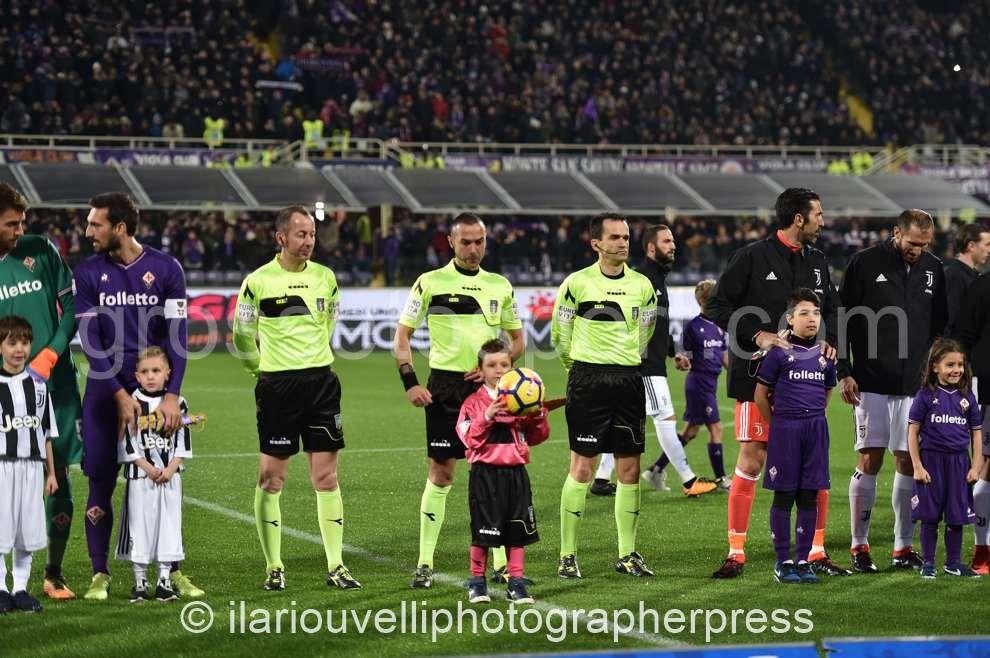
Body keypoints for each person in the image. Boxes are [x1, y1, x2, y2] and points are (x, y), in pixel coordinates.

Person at [707, 188, 846, 578]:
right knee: (752, 459)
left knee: (813, 466)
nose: (823, 221)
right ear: (799, 218)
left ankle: (815, 552)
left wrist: (833, 343)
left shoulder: (818, 261)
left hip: (806, 383)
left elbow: (834, 311)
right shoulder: (751, 256)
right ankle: (736, 553)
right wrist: (758, 334)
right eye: (818, 214)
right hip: (757, 379)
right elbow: (717, 305)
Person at [73, 193, 202, 601]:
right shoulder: (88, 272)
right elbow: (90, 339)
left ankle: (171, 571)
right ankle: (100, 573)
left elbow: (177, 336)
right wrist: (117, 391)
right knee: (100, 478)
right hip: (103, 389)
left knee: (163, 478)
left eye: (95, 224)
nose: (88, 231)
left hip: (154, 389)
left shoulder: (166, 269)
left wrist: (172, 395)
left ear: (120, 227)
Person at [232, 205, 360, 591]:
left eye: (312, 235)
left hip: (321, 385)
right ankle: (274, 566)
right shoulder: (258, 281)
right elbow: (242, 334)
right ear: (281, 237)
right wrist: (258, 370)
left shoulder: (326, 277)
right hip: (277, 388)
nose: (308, 241)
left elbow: (329, 322)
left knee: (327, 477)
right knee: (271, 478)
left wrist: (312, 355)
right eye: (301, 234)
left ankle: (336, 565)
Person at [394, 213, 524, 589]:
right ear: (451, 242)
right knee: (442, 473)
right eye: (465, 242)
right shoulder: (430, 282)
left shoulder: (499, 285)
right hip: (444, 388)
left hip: (488, 391)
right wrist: (410, 382)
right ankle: (425, 562)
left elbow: (518, 341)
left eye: (479, 241)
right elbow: (402, 337)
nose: (473, 249)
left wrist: (495, 366)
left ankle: (500, 562)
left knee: (494, 473)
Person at [839, 209, 948, 573]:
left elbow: (940, 326)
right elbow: (842, 317)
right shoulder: (864, 262)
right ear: (896, 233)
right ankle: (859, 545)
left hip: (915, 384)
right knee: (870, 459)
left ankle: (902, 547)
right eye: (913, 243)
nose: (918, 250)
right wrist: (844, 370)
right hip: (870, 380)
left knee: (907, 459)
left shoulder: (933, 268)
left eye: (924, 244)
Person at [551, 212, 657, 578]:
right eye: (614, 237)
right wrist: (578, 367)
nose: (623, 242)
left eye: (626, 236)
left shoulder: (642, 286)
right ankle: (567, 555)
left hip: (628, 380)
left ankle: (627, 554)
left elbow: (645, 333)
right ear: (596, 243)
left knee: (630, 469)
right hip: (588, 379)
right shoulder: (577, 283)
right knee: (583, 467)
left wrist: (625, 361)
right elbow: (560, 334)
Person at [0, 184, 81, 600]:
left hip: (55, 383)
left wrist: (49, 355)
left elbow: (73, 309)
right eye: (11, 224)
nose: (20, 230)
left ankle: (53, 572)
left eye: (21, 222)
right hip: (5, 390)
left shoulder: (41, 250)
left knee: (58, 474)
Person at [456, 339, 549, 605]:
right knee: (483, 531)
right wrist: (486, 416)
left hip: (516, 474)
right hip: (485, 474)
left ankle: (516, 583)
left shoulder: (522, 399)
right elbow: (469, 439)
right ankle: (477, 582)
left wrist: (538, 415)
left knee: (517, 530)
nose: (498, 370)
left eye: (504, 364)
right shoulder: (473, 403)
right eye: (491, 365)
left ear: (512, 367)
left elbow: (537, 437)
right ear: (480, 370)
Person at [754, 289, 836, 585]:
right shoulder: (779, 353)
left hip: (815, 429)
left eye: (816, 313)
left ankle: (803, 560)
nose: (811, 318)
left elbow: (828, 390)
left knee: (809, 495)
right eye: (804, 313)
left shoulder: (826, 356)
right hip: (786, 428)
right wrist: (777, 425)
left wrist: (816, 416)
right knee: (785, 494)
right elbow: (760, 395)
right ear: (790, 319)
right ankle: (783, 561)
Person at [638, 225, 717, 498]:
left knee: (625, 422)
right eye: (667, 241)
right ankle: (688, 480)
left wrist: (674, 354)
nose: (673, 245)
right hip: (645, 366)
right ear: (651, 247)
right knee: (665, 418)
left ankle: (603, 477)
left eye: (673, 241)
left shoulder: (656, 277)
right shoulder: (643, 279)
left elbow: (659, 325)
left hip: (651, 363)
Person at [116, 347, 193, 602]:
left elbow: (183, 442)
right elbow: (127, 444)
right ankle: (140, 582)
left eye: (156, 370)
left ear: (168, 373)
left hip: (170, 478)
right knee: (140, 527)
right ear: (137, 376)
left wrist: (170, 468)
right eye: (145, 371)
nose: (151, 376)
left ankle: (164, 581)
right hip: (140, 477)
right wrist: (148, 467)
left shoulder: (178, 403)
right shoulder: (132, 402)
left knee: (169, 526)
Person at [643, 279, 729, 492]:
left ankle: (655, 470)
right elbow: (683, 357)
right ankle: (721, 480)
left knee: (690, 432)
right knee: (716, 428)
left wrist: (741, 376)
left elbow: (724, 357)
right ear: (703, 301)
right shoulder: (693, 327)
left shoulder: (719, 327)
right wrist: (681, 361)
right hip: (699, 383)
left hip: (710, 384)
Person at [907, 339, 982, 579]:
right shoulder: (925, 396)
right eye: (950, 365)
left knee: (956, 515)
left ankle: (953, 563)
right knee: (929, 516)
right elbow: (912, 432)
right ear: (934, 367)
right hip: (931, 462)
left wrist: (976, 465)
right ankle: (928, 563)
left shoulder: (968, 398)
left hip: (959, 463)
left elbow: (976, 433)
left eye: (960, 364)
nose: (956, 370)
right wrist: (917, 466)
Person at [0, 316, 58, 613]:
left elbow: (46, 433)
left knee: (27, 529)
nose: (19, 349)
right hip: (2, 467)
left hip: (32, 469)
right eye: (12, 343)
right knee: (1, 528)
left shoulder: (38, 387)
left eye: (24, 342)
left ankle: (20, 588)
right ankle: (0, 588)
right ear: (1, 346)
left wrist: (51, 473)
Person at [958, 269, 990, 573]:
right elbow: (965, 336)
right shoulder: (983, 286)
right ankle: (982, 551)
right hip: (989, 387)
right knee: (987, 466)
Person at [943, 224, 990, 339]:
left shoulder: (973, 275)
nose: (989, 250)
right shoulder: (955, 276)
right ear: (971, 246)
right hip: (956, 345)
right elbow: (949, 319)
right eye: (987, 245)